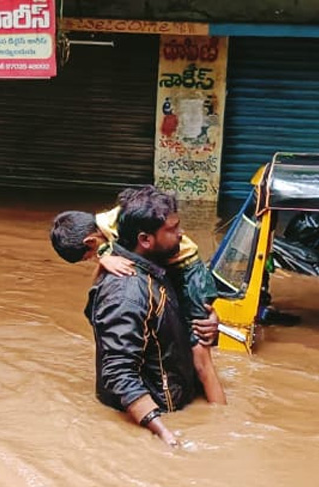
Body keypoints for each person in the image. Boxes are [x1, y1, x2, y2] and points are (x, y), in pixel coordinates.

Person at [50, 189, 226, 404]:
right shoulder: (131, 275)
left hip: (191, 274)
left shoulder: (124, 235)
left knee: (201, 351)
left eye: (90, 256)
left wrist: (104, 256)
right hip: (161, 392)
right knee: (199, 350)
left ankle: (219, 410)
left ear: (90, 241)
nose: (181, 233)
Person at [83, 186, 212, 447]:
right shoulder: (127, 293)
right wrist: (164, 432)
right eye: (173, 229)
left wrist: (207, 321)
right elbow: (118, 372)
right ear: (145, 239)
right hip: (155, 420)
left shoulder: (158, 267)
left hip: (175, 401)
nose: (181, 234)